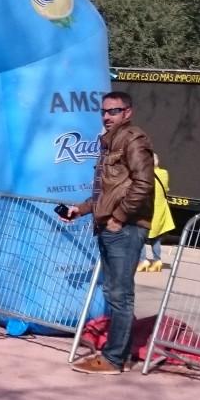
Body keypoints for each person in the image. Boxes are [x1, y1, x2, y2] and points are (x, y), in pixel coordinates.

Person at [64, 91, 154, 375]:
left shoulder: (133, 139)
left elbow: (143, 183)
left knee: (120, 294)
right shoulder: (110, 142)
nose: (106, 116)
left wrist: (119, 217)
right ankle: (118, 354)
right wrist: (81, 209)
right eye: (104, 111)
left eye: (114, 111)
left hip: (125, 228)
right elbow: (107, 192)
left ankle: (114, 359)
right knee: (114, 292)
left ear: (128, 112)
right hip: (109, 227)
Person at [138, 153, 175, 273]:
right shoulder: (164, 173)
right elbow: (166, 189)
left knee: (140, 236)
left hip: (148, 211)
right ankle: (157, 261)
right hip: (161, 211)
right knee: (156, 238)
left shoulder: (146, 175)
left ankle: (142, 260)